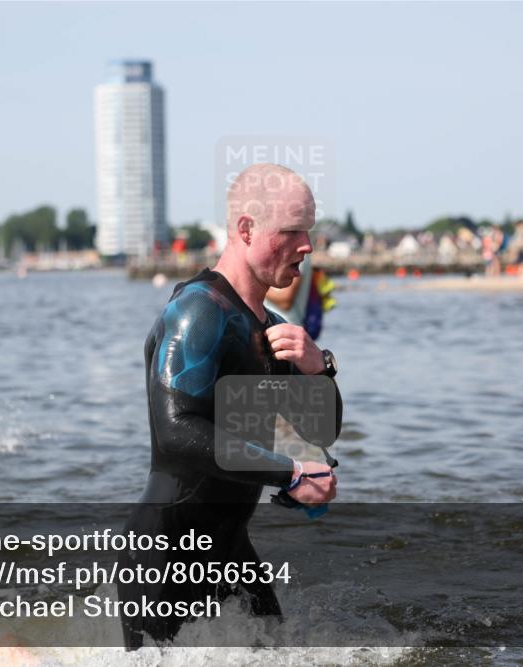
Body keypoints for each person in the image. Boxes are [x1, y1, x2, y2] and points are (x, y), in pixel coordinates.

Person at [118, 163, 341, 649]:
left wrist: (317, 367)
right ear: (246, 229)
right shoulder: (198, 311)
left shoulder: (271, 327)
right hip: (166, 553)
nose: (307, 245)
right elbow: (176, 432)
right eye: (292, 231)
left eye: (309, 231)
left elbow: (322, 431)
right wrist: (288, 474)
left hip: (230, 548)